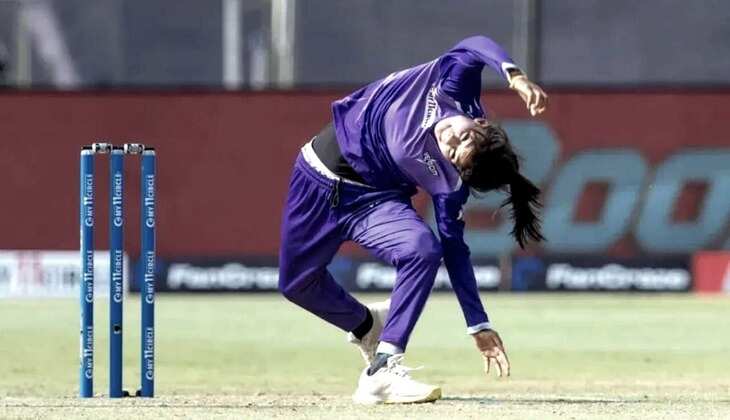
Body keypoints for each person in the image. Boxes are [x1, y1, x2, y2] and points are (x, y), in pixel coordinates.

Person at [278, 35, 548, 404]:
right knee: (297, 285)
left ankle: (383, 369)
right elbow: (475, 45)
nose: (449, 141)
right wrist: (514, 75)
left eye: (454, 154)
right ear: (480, 122)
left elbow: (455, 251)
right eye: (463, 138)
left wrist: (478, 323)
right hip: (316, 176)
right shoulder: (455, 87)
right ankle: (367, 326)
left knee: (422, 249)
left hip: (374, 201)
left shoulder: (449, 183)